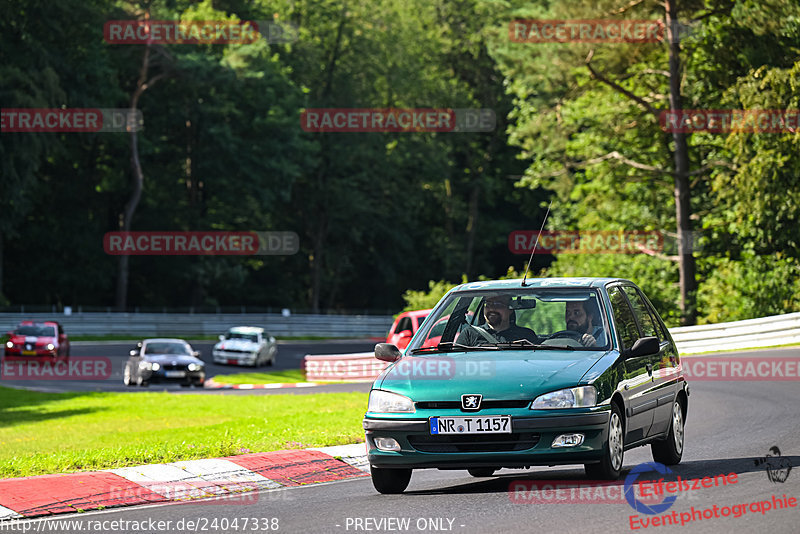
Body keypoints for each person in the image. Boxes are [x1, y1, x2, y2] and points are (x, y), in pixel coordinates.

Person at [459, 294, 539, 346]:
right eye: (488, 304)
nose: (492, 308)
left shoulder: (526, 335)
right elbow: (457, 362)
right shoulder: (469, 334)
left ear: (510, 309)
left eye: (498, 304)